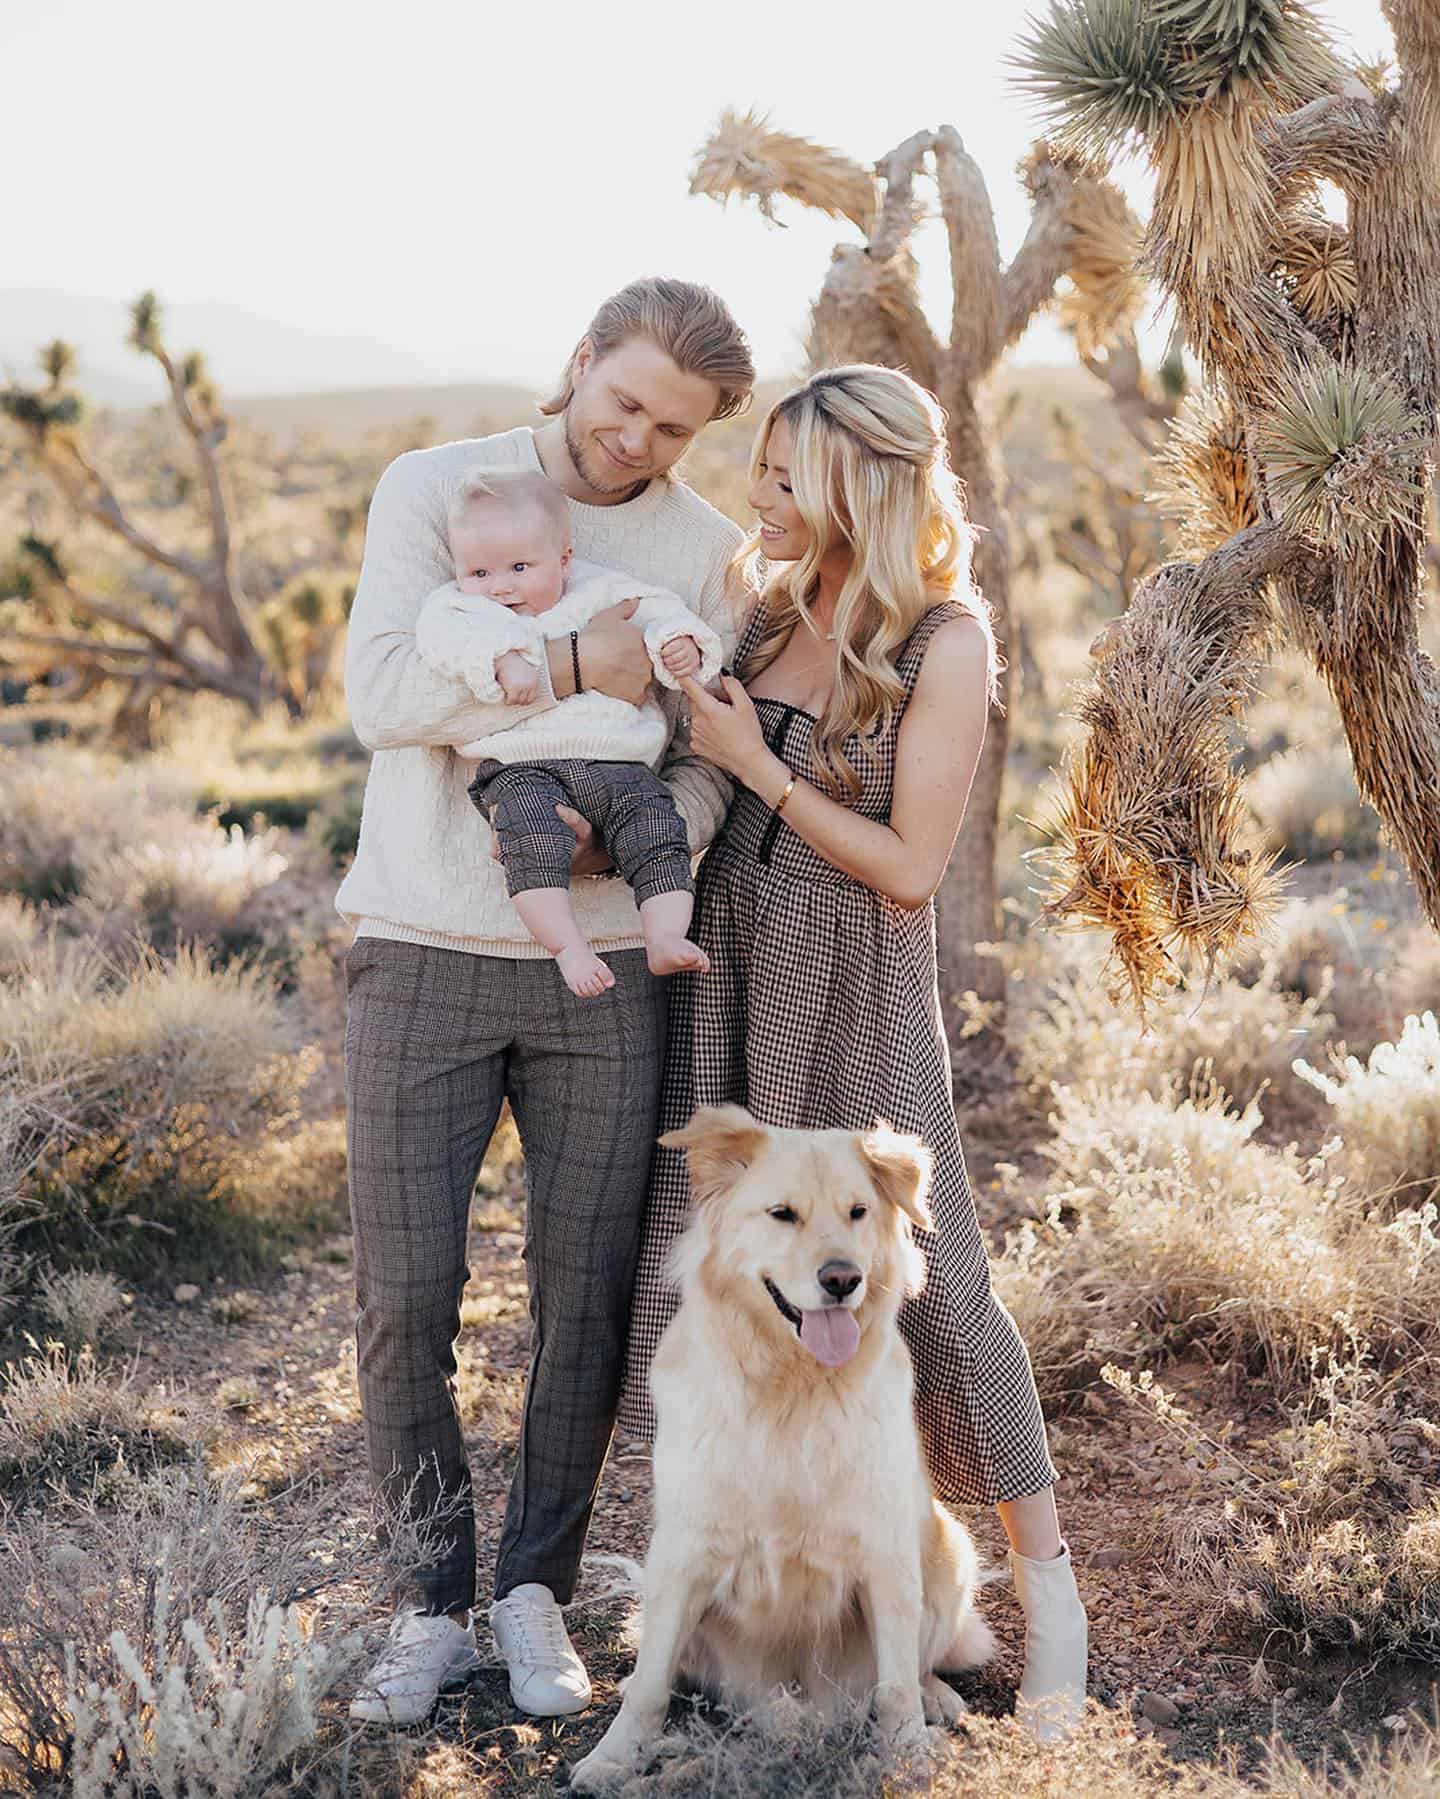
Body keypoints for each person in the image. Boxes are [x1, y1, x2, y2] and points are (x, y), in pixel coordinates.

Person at [619, 364, 1090, 1741]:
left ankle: (1048, 1582)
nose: (755, 497)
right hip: (733, 964)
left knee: (935, 1291)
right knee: (716, 1271)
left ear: (852, 485)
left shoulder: (946, 635)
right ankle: (736, 1596)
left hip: (861, 979)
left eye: (780, 474)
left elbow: (910, 867)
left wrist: (761, 768)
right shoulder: (766, 610)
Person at [338, 277, 753, 1726]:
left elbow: (708, 753)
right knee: (407, 1293)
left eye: (673, 427)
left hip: (607, 968)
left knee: (584, 1291)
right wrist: (578, 667)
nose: (636, 438)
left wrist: (648, 832)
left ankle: (533, 1586)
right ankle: (429, 1596)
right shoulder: (434, 491)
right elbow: (382, 692)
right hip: (422, 943)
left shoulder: (706, 550)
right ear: (579, 362)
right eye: (622, 398)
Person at [415, 465, 722, 995]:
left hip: (620, 763)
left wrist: (680, 643)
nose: (500, 588)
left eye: (518, 567)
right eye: (479, 573)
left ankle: (665, 935)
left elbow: (660, 611)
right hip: (523, 768)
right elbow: (443, 640)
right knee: (528, 841)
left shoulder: (600, 592)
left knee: (658, 830)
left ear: (564, 559)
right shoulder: (462, 609)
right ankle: (568, 947)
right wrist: (501, 660)